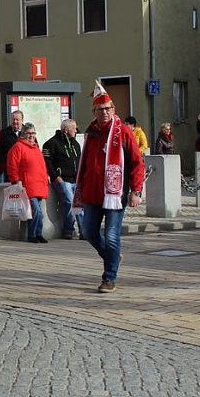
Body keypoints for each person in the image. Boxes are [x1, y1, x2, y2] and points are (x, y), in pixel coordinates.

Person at [74, 81, 144, 293]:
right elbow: (85, 163)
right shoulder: (91, 132)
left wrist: (136, 191)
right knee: (88, 231)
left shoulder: (122, 131)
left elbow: (137, 162)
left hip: (116, 193)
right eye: (100, 109)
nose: (104, 112)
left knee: (112, 236)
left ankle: (109, 277)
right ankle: (112, 256)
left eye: (108, 108)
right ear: (94, 111)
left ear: (113, 109)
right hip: (93, 193)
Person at [43, 119, 83, 239]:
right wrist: (56, 177)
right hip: (62, 180)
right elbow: (47, 162)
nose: (76, 131)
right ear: (66, 129)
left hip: (75, 180)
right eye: (74, 128)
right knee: (70, 203)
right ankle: (69, 230)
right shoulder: (51, 143)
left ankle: (82, 231)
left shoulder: (75, 144)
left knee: (79, 205)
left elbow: (80, 161)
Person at [8, 123, 49, 243]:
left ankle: (38, 233)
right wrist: (15, 180)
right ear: (23, 134)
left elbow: (42, 166)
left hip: (38, 184)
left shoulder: (36, 148)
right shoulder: (18, 147)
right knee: (35, 210)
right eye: (29, 133)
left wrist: (45, 178)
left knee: (40, 212)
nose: (31, 136)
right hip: (27, 184)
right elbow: (12, 165)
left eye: (33, 133)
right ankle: (32, 234)